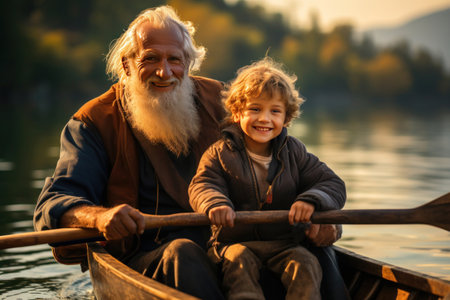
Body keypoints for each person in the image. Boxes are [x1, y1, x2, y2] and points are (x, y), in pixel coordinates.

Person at [33, 5, 344, 300]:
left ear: (190, 63)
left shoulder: (226, 103)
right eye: (150, 58)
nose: (164, 72)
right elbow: (53, 204)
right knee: (183, 252)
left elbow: (289, 164)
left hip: (237, 240)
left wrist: (322, 216)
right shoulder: (94, 121)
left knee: (314, 251)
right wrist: (101, 217)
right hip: (152, 255)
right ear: (127, 65)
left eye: (176, 60)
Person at [189, 57, 348, 299]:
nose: (264, 119)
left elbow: (332, 184)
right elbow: (202, 185)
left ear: (286, 118)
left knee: (306, 263)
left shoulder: (295, 152)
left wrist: (311, 201)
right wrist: (215, 204)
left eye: (275, 111)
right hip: (233, 243)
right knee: (239, 263)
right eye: (255, 109)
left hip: (285, 243)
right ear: (237, 112)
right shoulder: (219, 153)